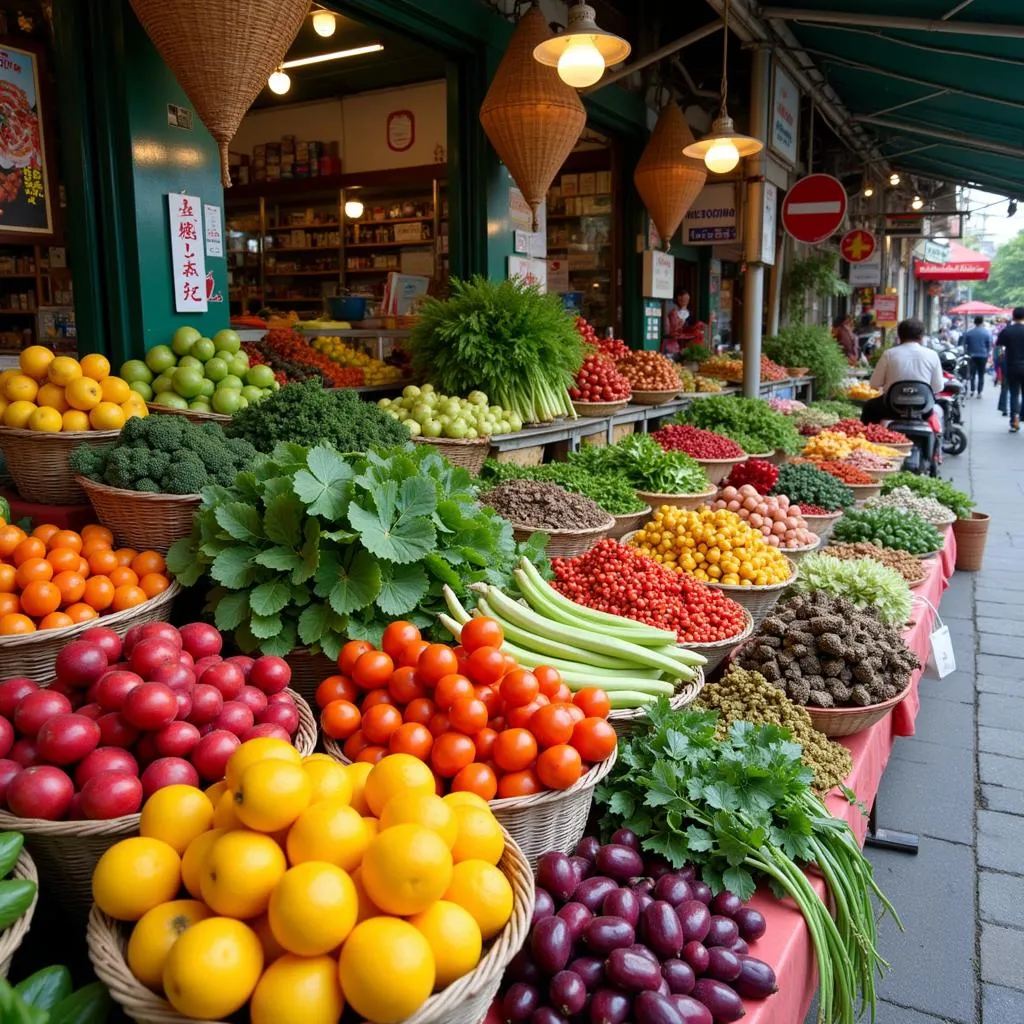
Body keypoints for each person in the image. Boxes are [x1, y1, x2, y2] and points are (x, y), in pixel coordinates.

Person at [861, 317, 944, 424]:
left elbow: (874, 384)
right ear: (921, 337)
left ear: (899, 336)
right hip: (923, 409)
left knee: (869, 407)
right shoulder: (932, 355)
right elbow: (938, 387)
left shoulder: (889, 354)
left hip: (891, 408)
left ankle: (867, 439)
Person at [996, 306, 1024, 432]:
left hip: (1012, 366)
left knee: (1014, 394)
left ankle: (1014, 419)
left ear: (1013, 316)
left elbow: (999, 346)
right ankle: (1021, 416)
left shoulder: (1007, 331)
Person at [960, 315, 993, 397]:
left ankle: (972, 390)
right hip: (983, 355)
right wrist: (987, 353)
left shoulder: (969, 332)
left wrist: (966, 352)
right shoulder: (987, 333)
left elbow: (964, 344)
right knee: (981, 374)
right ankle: (979, 392)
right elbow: (989, 345)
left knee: (972, 374)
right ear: (982, 322)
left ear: (974, 322)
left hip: (972, 355)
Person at [662, 289, 692, 357]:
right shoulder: (673, 310)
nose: (685, 301)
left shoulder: (687, 312)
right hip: (670, 342)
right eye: (683, 299)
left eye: (687, 300)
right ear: (678, 298)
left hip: (679, 343)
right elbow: (671, 328)